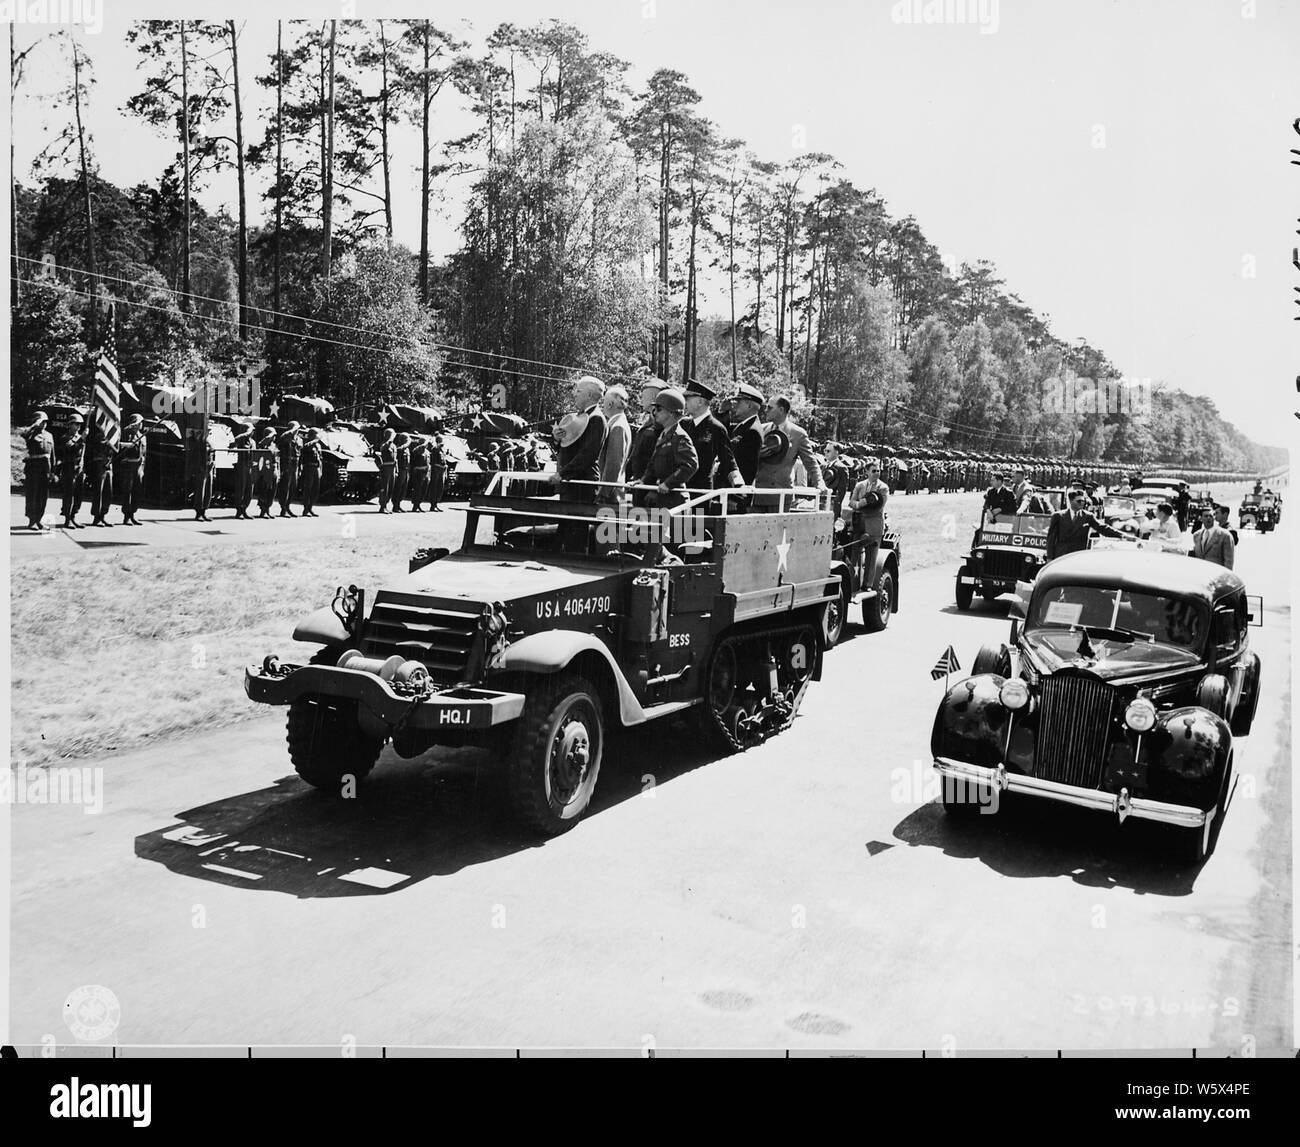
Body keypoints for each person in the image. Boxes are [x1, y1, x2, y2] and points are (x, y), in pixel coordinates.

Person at [754, 396, 822, 510]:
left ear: (781, 410)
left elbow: (810, 462)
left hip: (781, 496)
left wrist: (819, 483)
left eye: (770, 408)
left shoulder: (798, 434)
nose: (766, 410)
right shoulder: (761, 429)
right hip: (758, 494)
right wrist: (757, 455)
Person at [637, 386, 698, 510]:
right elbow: (653, 464)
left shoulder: (679, 437)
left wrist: (668, 483)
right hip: (662, 500)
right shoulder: (664, 434)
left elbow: (690, 465)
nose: (654, 413)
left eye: (659, 409)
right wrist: (643, 481)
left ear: (671, 412)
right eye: (654, 409)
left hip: (676, 501)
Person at [550, 374, 607, 503]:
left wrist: (562, 474)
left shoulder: (596, 419)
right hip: (571, 484)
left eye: (579, 391)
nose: (574, 394)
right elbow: (568, 448)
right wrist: (557, 439)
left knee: (574, 522)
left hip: (581, 485)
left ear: (589, 395)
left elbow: (587, 454)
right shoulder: (581, 416)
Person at [1045, 488, 1123, 560]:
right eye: (1079, 501)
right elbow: (1051, 539)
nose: (1082, 503)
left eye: (1083, 501)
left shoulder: (1088, 516)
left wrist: (1122, 535)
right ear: (1071, 501)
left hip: (1079, 556)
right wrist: (1049, 558)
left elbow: (1102, 528)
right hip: (1061, 556)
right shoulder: (1058, 516)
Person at [626, 379, 666, 483]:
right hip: (638, 479)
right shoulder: (649, 420)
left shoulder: (661, 423)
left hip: (649, 482)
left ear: (654, 397)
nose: (641, 399)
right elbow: (636, 454)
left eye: (644, 396)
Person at [597, 383, 631, 506]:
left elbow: (614, 463)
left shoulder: (617, 426)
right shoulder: (618, 423)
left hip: (611, 494)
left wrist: (603, 492)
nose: (602, 405)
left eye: (604, 402)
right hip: (614, 491)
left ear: (610, 404)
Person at [727, 382, 765, 491]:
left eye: (738, 402)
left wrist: (737, 497)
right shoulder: (743, 426)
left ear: (748, 404)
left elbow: (748, 468)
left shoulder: (753, 430)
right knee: (697, 509)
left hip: (735, 496)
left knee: (699, 509)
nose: (734, 405)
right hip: (728, 491)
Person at [22, 411, 56, 530]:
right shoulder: (30, 434)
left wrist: (53, 471)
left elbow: (52, 455)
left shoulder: (49, 435)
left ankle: (39, 519)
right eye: (42, 421)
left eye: (46, 421)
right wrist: (34, 425)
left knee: (43, 496)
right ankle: (32, 520)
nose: (44, 424)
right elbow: (23, 434)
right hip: (33, 469)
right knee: (33, 495)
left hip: (45, 469)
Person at [116, 413, 147, 526]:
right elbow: (120, 447)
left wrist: (143, 469)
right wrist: (128, 444)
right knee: (127, 492)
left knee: (136, 491)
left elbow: (144, 455)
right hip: (129, 466)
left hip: (139, 467)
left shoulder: (143, 436)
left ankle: (133, 513)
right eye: (138, 423)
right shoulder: (127, 435)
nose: (140, 425)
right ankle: (126, 516)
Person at [85, 420, 117, 528]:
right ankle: (96, 517)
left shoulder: (111, 436)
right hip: (99, 464)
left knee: (108, 492)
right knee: (99, 491)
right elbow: (100, 445)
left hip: (108, 465)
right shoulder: (99, 435)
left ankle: (103, 515)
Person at [58, 412, 87, 529]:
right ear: (69, 425)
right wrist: (82, 439)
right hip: (69, 469)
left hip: (79, 469)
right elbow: (70, 449)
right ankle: (67, 519)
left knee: (78, 495)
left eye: (80, 424)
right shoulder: (65, 438)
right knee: (69, 495)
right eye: (76, 424)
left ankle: (74, 516)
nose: (78, 426)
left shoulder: (79, 438)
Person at [186, 425, 216, 522]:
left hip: (209, 469)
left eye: (209, 431)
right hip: (201, 469)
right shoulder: (199, 443)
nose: (208, 432)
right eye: (207, 431)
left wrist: (214, 471)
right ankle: (198, 513)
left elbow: (213, 456)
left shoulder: (210, 442)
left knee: (208, 491)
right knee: (200, 492)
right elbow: (194, 457)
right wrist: (197, 469)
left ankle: (204, 511)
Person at [229, 419, 256, 520]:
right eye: (251, 430)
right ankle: (239, 511)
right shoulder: (241, 439)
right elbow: (233, 443)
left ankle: (244, 509)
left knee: (249, 490)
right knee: (241, 489)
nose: (252, 432)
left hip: (250, 467)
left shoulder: (253, 442)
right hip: (242, 466)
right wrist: (246, 433)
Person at [276, 421, 302, 517]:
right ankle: (283, 509)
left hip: (295, 465)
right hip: (287, 464)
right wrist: (293, 429)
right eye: (296, 428)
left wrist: (300, 468)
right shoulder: (286, 436)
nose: (297, 430)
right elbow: (283, 439)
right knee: (285, 487)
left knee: (292, 487)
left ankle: (288, 506)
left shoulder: (299, 439)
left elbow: (300, 453)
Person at [254, 426, 279, 519]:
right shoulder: (263, 445)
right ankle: (263, 510)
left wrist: (278, 471)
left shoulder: (274, 445)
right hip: (265, 470)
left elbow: (277, 459)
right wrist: (267, 438)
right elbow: (260, 448)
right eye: (272, 435)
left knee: (272, 491)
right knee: (264, 490)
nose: (274, 437)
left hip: (273, 469)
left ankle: (268, 509)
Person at [299, 427, 323, 516]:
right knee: (308, 489)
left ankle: (310, 508)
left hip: (316, 468)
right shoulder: (307, 443)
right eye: (317, 434)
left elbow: (320, 459)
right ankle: (305, 509)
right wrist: (315, 440)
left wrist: (320, 470)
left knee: (315, 490)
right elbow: (306, 447)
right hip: (308, 468)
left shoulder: (318, 446)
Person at [375, 428, 397, 513]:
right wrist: (390, 439)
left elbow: (395, 459)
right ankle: (382, 506)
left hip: (392, 468)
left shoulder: (393, 445)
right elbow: (384, 448)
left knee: (391, 487)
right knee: (385, 487)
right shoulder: (385, 444)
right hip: (386, 468)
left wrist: (396, 470)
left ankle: (386, 505)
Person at [408, 434, 430, 511]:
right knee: (418, 489)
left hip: (425, 473)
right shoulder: (417, 450)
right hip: (418, 472)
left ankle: (419, 504)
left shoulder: (427, 452)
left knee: (424, 489)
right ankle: (415, 505)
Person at [392, 433, 411, 512]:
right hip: (400, 470)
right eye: (406, 439)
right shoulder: (399, 448)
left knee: (403, 488)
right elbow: (401, 449)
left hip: (406, 470)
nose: (407, 440)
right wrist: (408, 441)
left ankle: (399, 504)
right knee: (398, 488)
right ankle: (395, 506)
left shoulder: (407, 449)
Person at [428, 434, 446, 511]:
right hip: (436, 470)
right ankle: (432, 505)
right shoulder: (435, 449)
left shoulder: (442, 450)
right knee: (434, 487)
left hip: (441, 470)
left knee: (440, 487)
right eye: (441, 440)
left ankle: (436, 503)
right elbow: (433, 462)